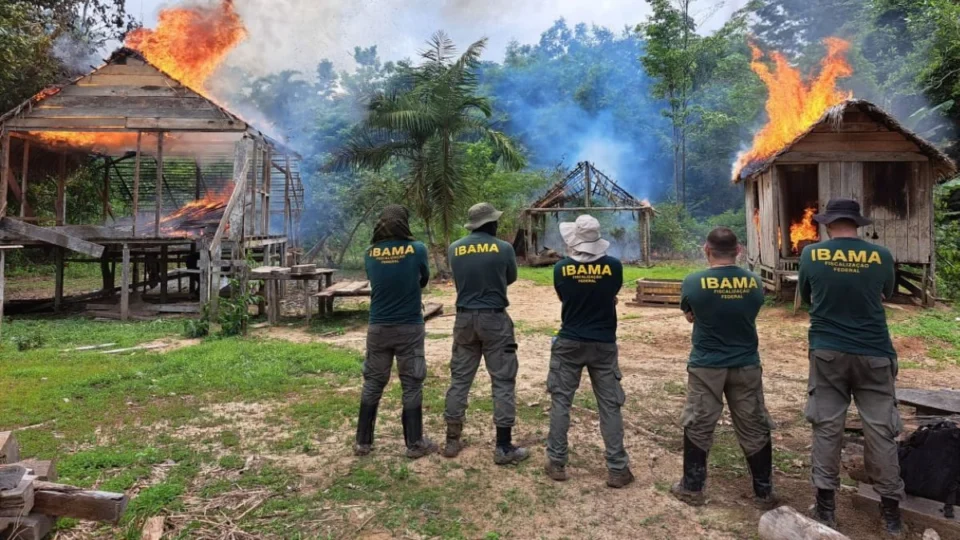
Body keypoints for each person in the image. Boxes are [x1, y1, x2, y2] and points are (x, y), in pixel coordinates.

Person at [799, 198, 904, 536]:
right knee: (881, 430)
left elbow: (806, 295)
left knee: (828, 428)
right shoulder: (881, 256)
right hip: (875, 354)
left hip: (828, 352)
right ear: (857, 224)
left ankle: (827, 508)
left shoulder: (811, 255)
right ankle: (891, 515)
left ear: (828, 224)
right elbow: (887, 293)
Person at [672, 227, 777, 509]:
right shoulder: (755, 282)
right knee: (753, 422)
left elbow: (690, 315)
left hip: (707, 364)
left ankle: (692, 488)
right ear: (738, 250)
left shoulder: (693, 282)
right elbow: (749, 312)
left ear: (706, 250)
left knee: (699, 420)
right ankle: (764, 492)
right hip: (746, 363)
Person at [544, 215, 633, 488]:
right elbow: (611, 295)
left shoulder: (561, 268)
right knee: (609, 406)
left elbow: (565, 298)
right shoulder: (614, 267)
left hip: (569, 342)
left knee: (561, 402)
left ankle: (557, 462)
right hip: (604, 343)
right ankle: (617, 468)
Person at [442, 202, 529, 465]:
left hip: (464, 318)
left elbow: (458, 278)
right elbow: (510, 278)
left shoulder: (454, 248)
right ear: (489, 224)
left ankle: (451, 441)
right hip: (495, 319)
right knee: (502, 381)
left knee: (460, 379)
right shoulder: (504, 248)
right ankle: (503, 447)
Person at [354, 205, 437, 459]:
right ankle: (414, 444)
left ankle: (362, 443)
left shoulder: (370, 253)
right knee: (412, 383)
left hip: (378, 326)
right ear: (404, 223)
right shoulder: (418, 249)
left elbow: (374, 279)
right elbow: (424, 279)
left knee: (373, 383)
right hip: (410, 326)